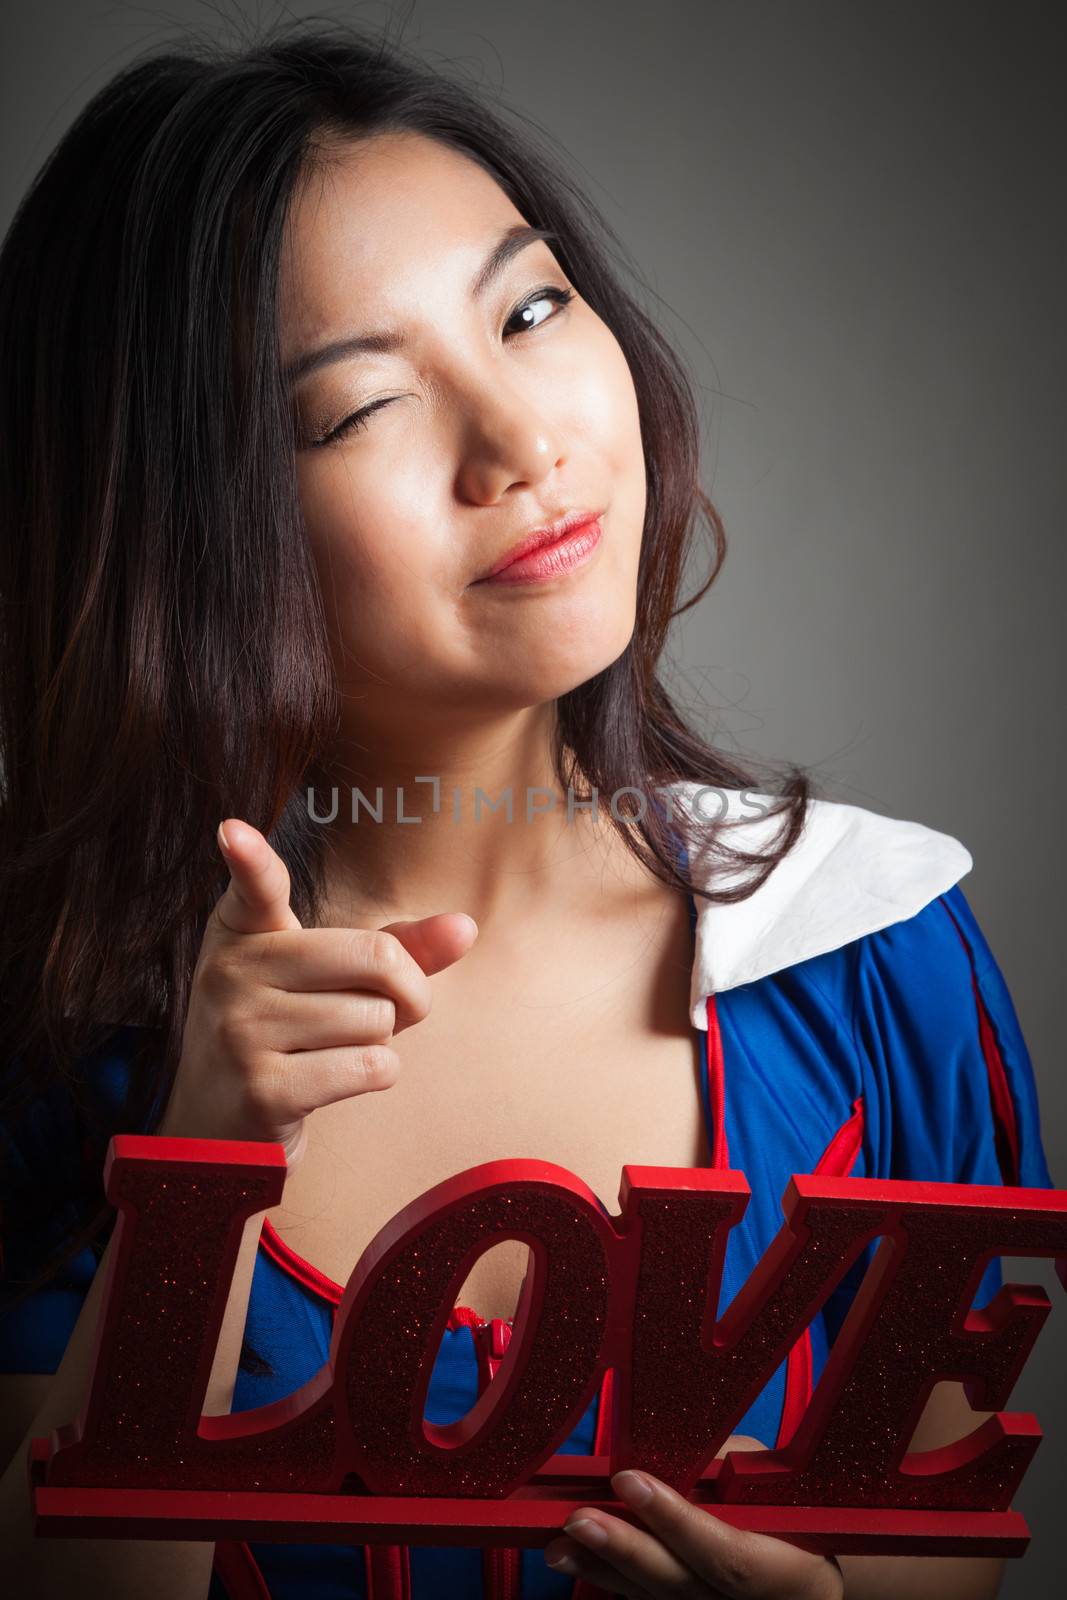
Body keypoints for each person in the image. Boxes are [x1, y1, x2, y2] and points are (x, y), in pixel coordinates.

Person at [0, 20, 1053, 1600]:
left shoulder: (869, 952)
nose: (524, 445)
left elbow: (941, 1536)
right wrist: (204, 1157)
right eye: (362, 409)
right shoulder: (68, 1033)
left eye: (533, 308)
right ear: (184, 530)